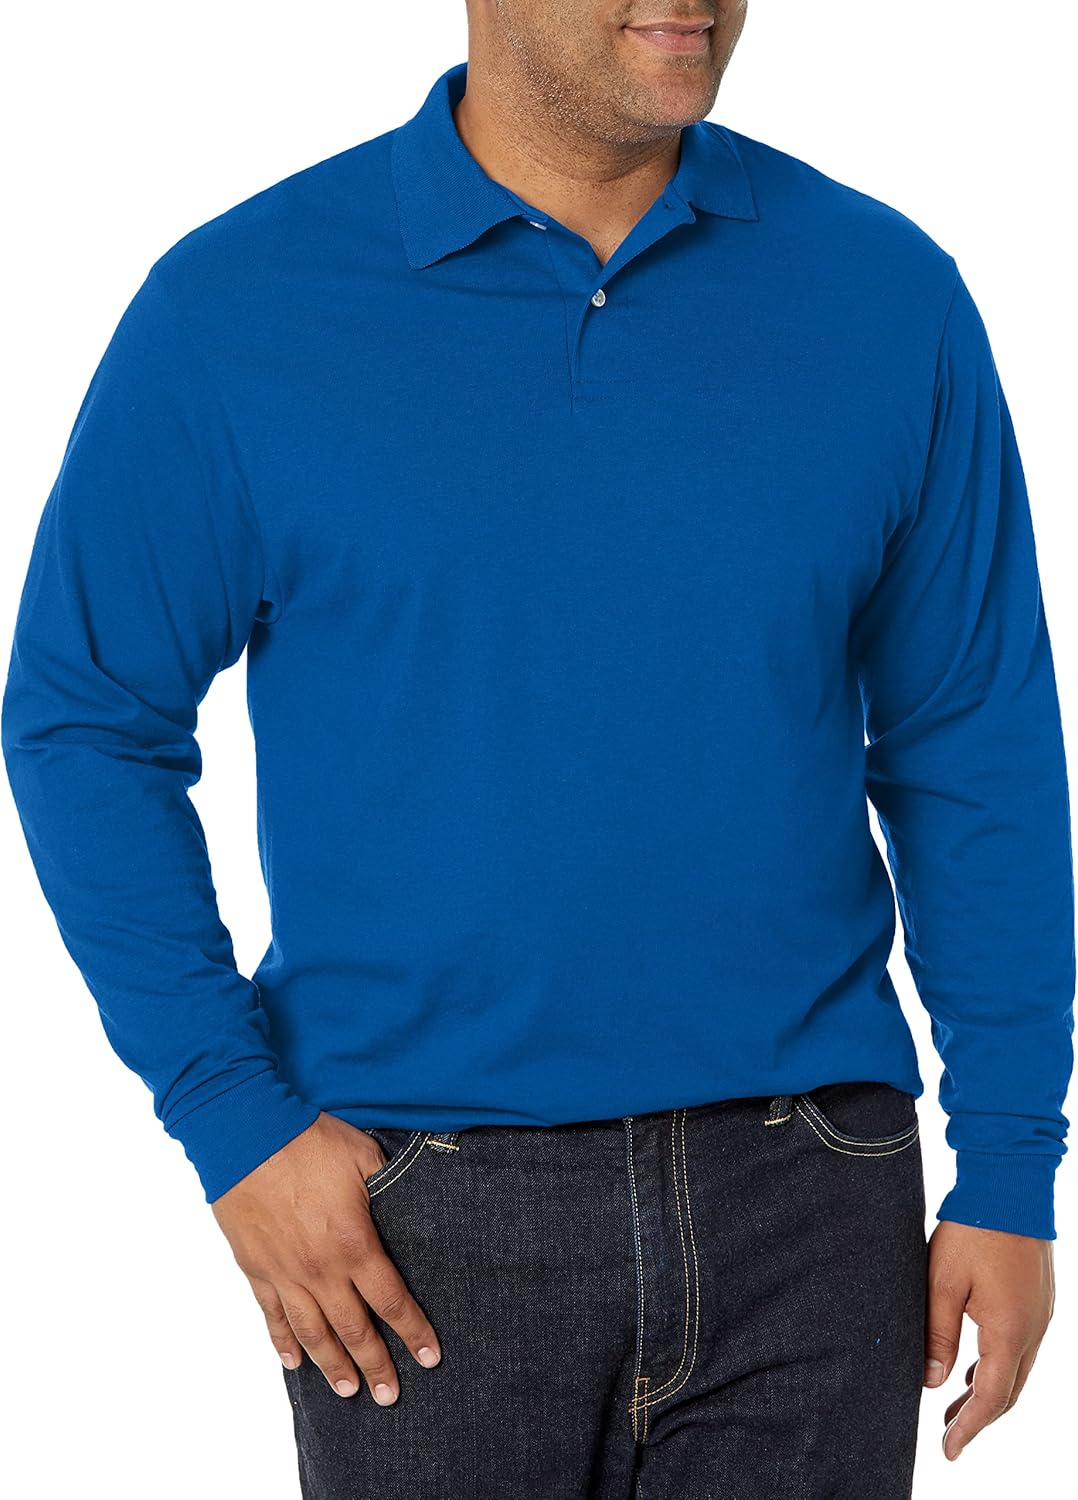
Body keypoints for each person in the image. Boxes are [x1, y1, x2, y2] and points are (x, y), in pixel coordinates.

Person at [2, 2, 1072, 1495]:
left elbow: (972, 740)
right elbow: (83, 719)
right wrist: (231, 1119)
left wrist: (1012, 1160)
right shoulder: (238, 309)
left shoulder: (887, 295)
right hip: (419, 1219)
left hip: (814, 1195)